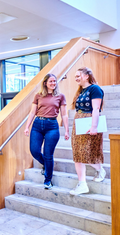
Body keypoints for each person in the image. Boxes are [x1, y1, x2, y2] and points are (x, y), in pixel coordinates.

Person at [24, 74, 70, 189]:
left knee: (48, 154)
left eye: (55, 81)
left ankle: (48, 180)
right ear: (45, 83)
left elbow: (64, 115)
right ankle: (46, 165)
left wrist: (67, 130)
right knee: (34, 151)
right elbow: (32, 112)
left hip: (52, 126)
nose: (53, 83)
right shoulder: (38, 95)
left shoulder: (60, 96)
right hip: (37, 125)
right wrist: (27, 127)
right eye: (51, 81)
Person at [69, 67, 106, 195]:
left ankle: (100, 169)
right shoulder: (80, 91)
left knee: (87, 153)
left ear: (86, 76)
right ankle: (82, 184)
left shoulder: (95, 89)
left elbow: (96, 109)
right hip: (78, 121)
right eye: (75, 76)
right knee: (78, 154)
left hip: (89, 121)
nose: (76, 78)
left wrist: (94, 126)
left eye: (78, 75)